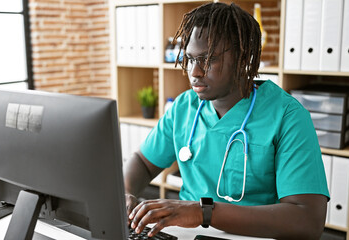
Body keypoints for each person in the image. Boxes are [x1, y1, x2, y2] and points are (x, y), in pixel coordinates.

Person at [124, 2, 329, 239]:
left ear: (243, 58)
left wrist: (204, 213)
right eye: (190, 59)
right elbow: (142, 160)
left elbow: (307, 220)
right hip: (186, 234)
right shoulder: (183, 107)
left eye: (208, 59)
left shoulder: (287, 116)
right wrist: (126, 193)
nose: (194, 72)